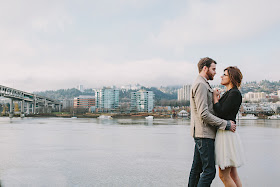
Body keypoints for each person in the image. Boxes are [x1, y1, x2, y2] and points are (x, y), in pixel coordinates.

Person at [188, 57, 236, 187]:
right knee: (209, 171)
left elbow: (207, 110)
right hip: (204, 134)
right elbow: (204, 114)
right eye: (213, 69)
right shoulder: (201, 84)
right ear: (205, 68)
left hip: (201, 133)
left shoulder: (203, 83)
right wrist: (225, 124)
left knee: (197, 170)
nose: (215, 72)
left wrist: (215, 97)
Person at [213, 66, 245, 187]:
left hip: (226, 135)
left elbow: (221, 112)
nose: (221, 76)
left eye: (224, 74)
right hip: (227, 134)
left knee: (223, 175)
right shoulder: (231, 93)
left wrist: (215, 99)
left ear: (231, 77)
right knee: (232, 174)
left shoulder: (234, 93)